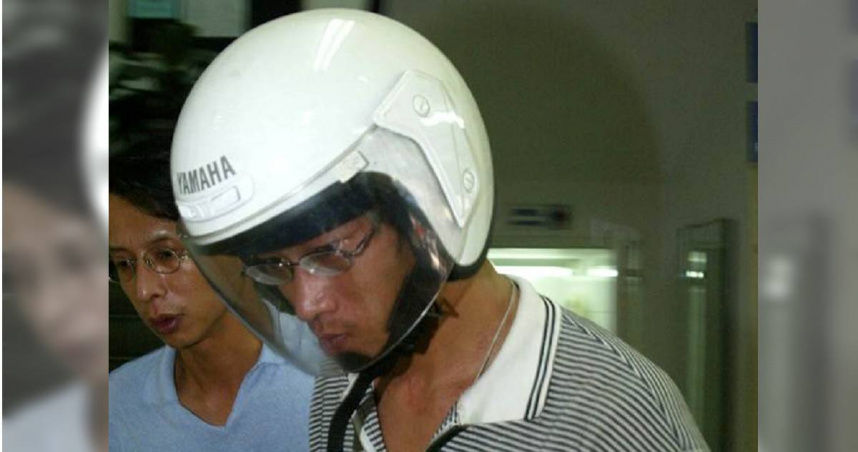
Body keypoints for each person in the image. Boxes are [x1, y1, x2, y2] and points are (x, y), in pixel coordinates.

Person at [169, 9, 708, 451]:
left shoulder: (611, 414)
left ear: (429, 208)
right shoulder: (341, 387)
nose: (306, 305)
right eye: (273, 267)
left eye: (330, 252)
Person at [107, 142, 315, 451]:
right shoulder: (117, 406)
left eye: (166, 255)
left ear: (233, 243)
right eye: (125, 264)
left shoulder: (335, 373)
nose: (144, 290)